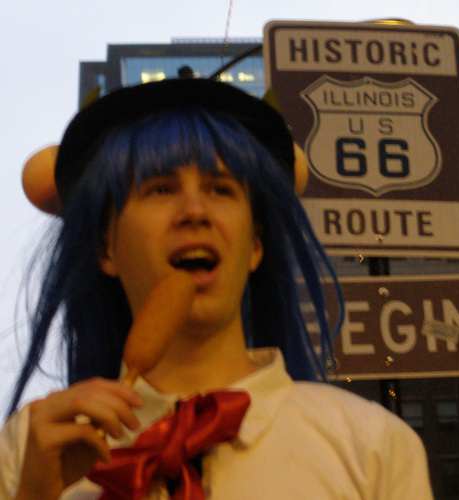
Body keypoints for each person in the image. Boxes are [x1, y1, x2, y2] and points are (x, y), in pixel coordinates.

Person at [1, 78, 434, 499]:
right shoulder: (31, 449)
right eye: (161, 189)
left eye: (221, 190)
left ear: (255, 246)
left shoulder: (373, 446)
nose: (195, 210)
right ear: (106, 247)